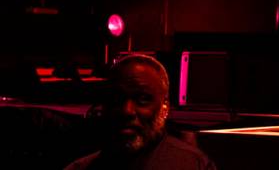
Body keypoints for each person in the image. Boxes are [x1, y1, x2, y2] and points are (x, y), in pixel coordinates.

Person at [64, 54, 216, 169]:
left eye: (142, 99)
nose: (127, 111)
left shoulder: (193, 165)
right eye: (117, 99)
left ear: (165, 107)